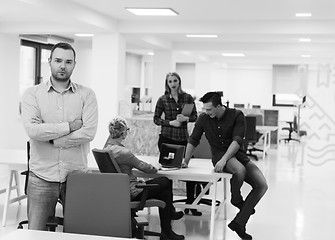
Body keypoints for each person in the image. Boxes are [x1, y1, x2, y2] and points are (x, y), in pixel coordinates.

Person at [21, 42, 98, 230]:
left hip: (76, 176)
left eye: (68, 62)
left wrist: (54, 139)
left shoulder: (87, 95)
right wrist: (70, 126)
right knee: (36, 234)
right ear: (50, 61)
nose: (63, 66)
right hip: (41, 177)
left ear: (74, 64)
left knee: (80, 232)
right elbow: (33, 130)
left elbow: (89, 131)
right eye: (58, 60)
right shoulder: (32, 94)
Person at [182, 92, 268, 240]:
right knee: (239, 170)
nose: (206, 112)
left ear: (219, 106)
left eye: (209, 109)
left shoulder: (236, 115)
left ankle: (239, 223)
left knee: (262, 185)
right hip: (218, 156)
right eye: (205, 109)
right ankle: (236, 199)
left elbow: (237, 141)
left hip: (237, 155)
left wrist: (224, 160)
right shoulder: (204, 119)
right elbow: (193, 139)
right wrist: (186, 160)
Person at [104, 117, 184, 240]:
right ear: (123, 132)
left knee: (165, 194)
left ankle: (167, 232)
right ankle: (168, 225)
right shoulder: (124, 152)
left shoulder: (106, 149)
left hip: (119, 192)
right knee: (165, 181)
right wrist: (156, 168)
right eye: (127, 130)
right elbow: (144, 167)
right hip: (134, 192)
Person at [153, 72, 202, 216]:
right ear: (167, 83)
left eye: (175, 81)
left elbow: (195, 117)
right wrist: (170, 122)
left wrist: (186, 118)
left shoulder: (187, 98)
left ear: (179, 81)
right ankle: (170, 209)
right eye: (170, 81)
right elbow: (156, 119)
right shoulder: (162, 99)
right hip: (167, 139)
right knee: (168, 174)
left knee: (189, 173)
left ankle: (191, 206)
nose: (173, 84)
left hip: (183, 139)